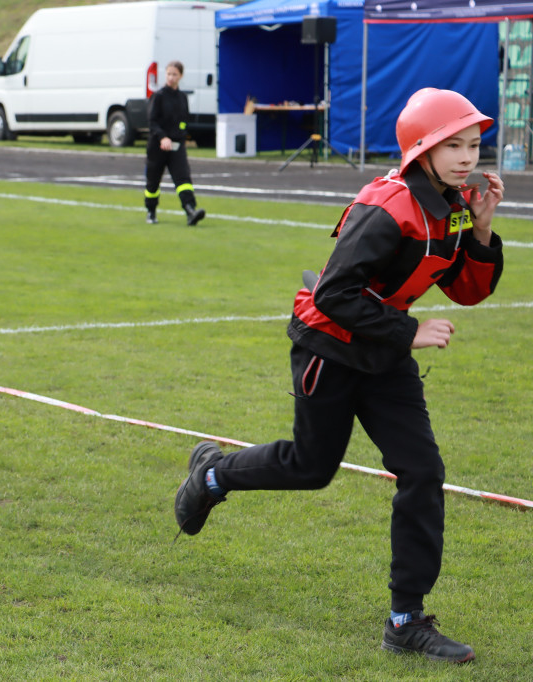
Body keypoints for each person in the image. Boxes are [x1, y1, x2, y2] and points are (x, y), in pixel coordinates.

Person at [174, 89, 504, 664]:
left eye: (473, 144)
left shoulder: (453, 207)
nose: (466, 157)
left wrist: (480, 231)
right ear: (420, 148)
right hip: (330, 347)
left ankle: (406, 621)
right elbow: (333, 294)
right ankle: (212, 476)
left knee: (423, 470)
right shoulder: (387, 206)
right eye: (453, 144)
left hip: (385, 357)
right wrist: (410, 331)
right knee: (311, 468)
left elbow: (468, 290)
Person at [144, 60, 205, 227]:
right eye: (169, 74)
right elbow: (152, 121)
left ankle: (190, 210)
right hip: (158, 146)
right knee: (153, 181)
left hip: (176, 147)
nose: (171, 77)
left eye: (175, 74)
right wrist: (162, 137)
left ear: (181, 76)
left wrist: (181, 134)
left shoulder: (182, 97)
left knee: (183, 178)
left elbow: (184, 120)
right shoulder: (159, 96)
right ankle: (151, 211)